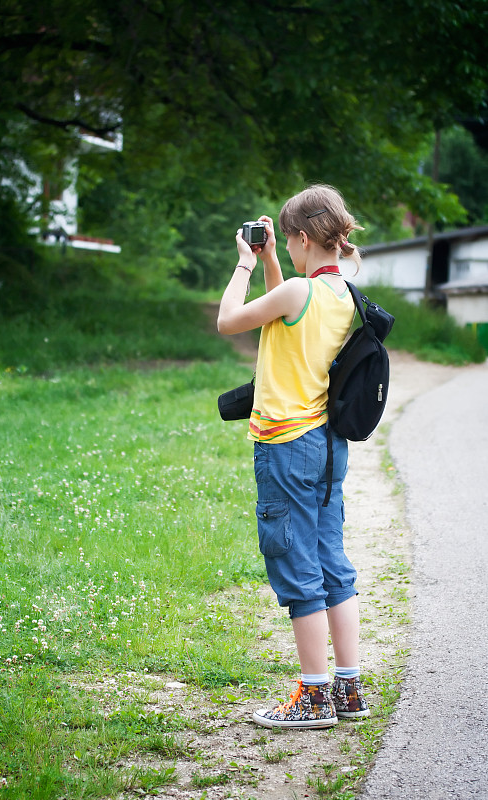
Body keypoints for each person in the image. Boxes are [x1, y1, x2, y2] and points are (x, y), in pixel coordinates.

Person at [217, 184, 370, 729]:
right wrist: (274, 263)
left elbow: (229, 320)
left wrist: (243, 265)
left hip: (286, 444)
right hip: (328, 445)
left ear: (303, 237)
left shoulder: (298, 294)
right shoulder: (342, 295)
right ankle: (349, 689)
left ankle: (311, 697)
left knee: (297, 566)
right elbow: (286, 316)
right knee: (332, 564)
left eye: (288, 241)